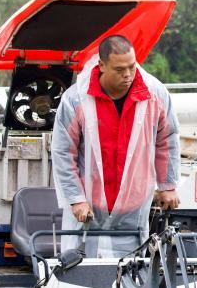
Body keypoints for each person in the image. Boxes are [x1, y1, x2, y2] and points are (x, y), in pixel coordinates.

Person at [51, 35, 180, 257]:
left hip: (134, 214)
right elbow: (63, 152)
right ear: (101, 65)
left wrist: (167, 185)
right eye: (119, 69)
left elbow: (167, 139)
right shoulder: (76, 100)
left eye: (132, 66)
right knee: (81, 271)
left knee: (133, 272)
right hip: (87, 213)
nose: (128, 75)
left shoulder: (155, 94)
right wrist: (76, 198)